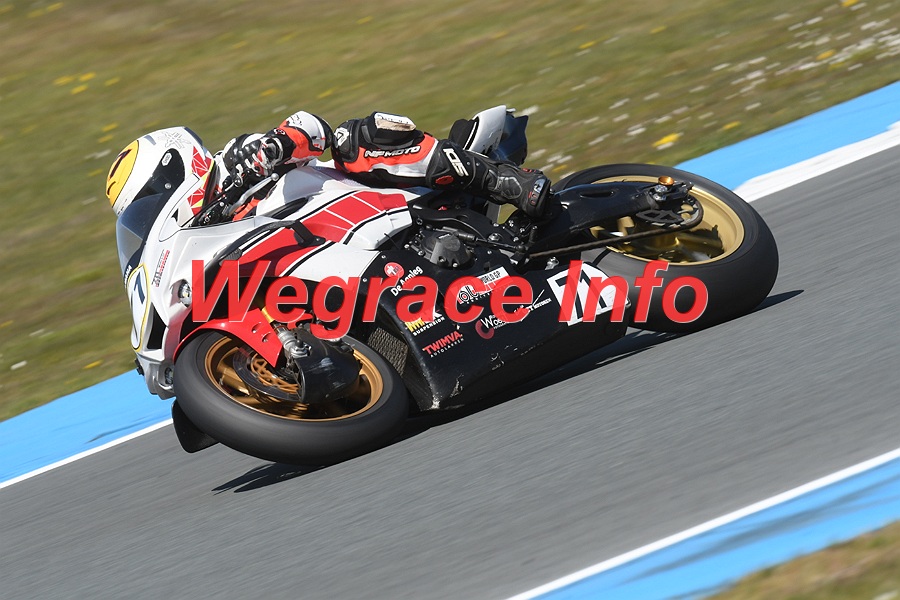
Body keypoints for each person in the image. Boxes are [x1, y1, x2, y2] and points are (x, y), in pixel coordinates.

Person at [218, 109, 550, 219]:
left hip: (362, 197)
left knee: (349, 141)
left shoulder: (231, 164)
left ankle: (505, 181)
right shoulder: (209, 247)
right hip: (336, 257)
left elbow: (312, 129)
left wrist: (274, 146)